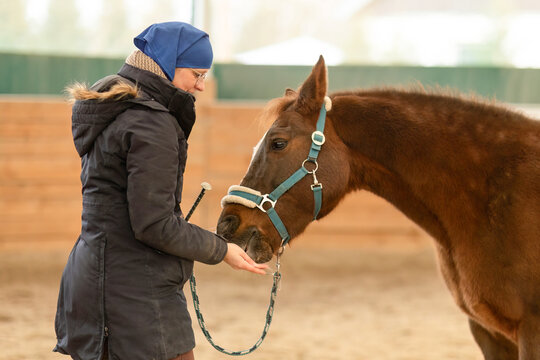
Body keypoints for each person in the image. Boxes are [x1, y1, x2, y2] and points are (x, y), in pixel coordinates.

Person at [54, 21, 268, 360]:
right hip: (134, 298)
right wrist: (220, 250)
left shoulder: (120, 111)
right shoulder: (150, 122)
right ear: (168, 63)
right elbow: (153, 224)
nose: (199, 86)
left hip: (97, 281)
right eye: (196, 74)